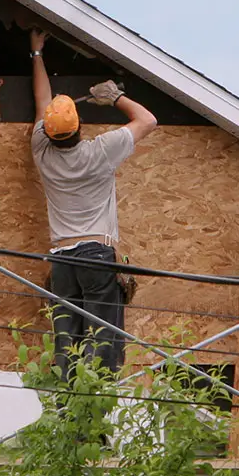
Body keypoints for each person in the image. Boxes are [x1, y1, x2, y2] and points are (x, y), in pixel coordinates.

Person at [29, 29, 157, 378]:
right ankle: (96, 410)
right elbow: (148, 120)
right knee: (103, 346)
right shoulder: (101, 151)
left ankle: (69, 411)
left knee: (66, 347)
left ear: (50, 133)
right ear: (80, 127)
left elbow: (43, 103)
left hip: (61, 260)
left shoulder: (40, 148)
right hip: (95, 257)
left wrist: (36, 53)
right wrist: (114, 97)